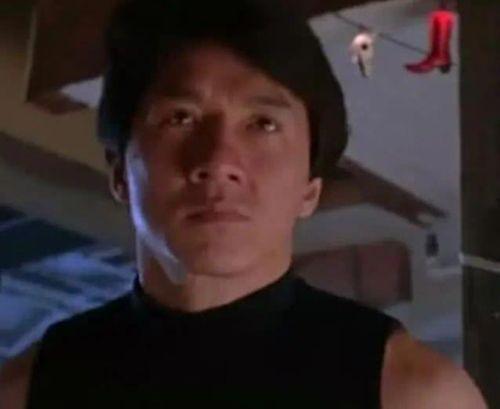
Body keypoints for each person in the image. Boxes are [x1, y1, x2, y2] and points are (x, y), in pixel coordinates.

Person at [0, 0, 488, 407]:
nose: (218, 161)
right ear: (120, 174)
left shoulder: (413, 393)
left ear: (310, 189)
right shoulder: (27, 391)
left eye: (263, 124)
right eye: (180, 118)